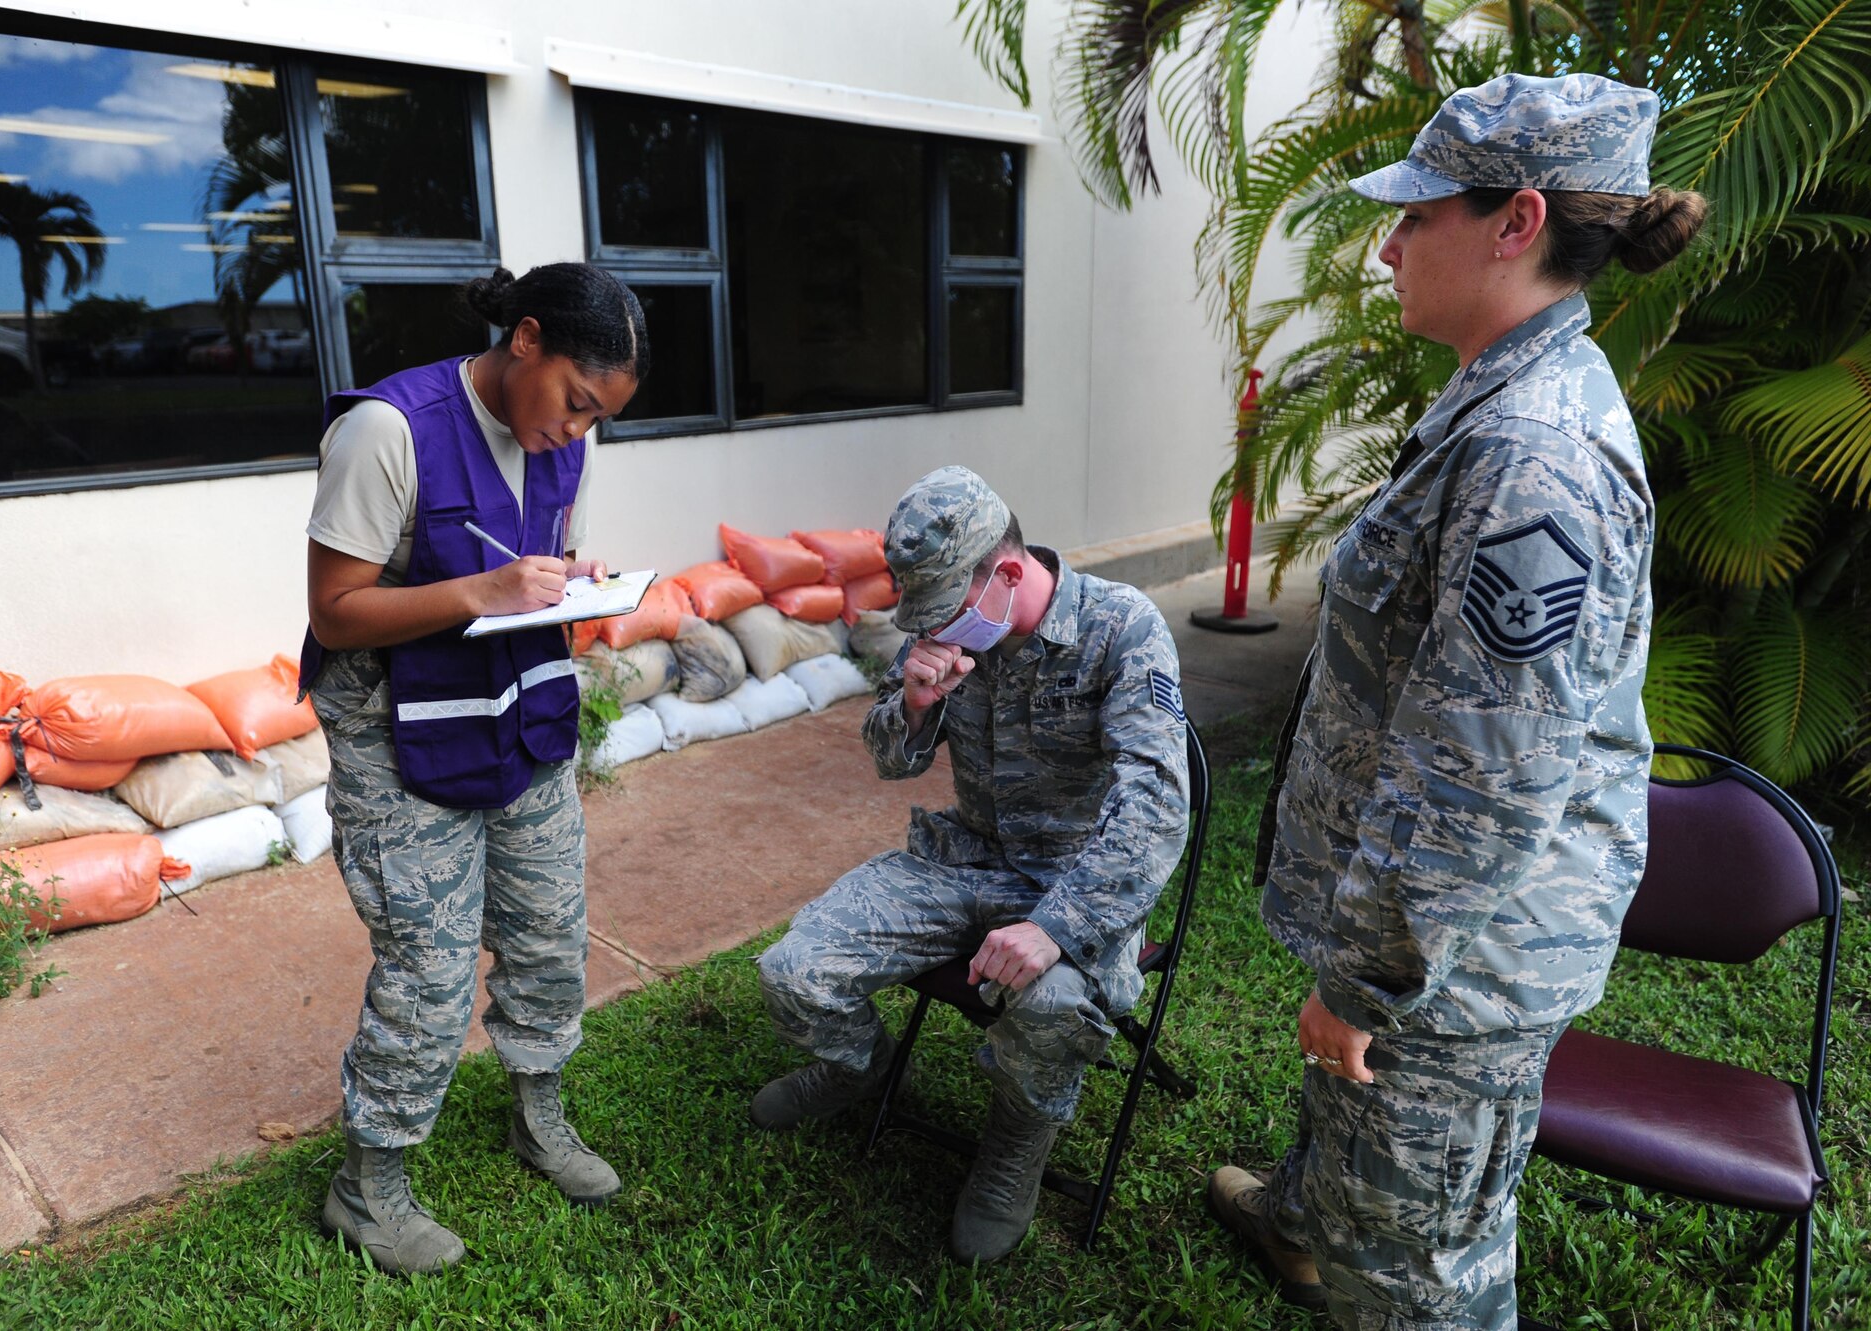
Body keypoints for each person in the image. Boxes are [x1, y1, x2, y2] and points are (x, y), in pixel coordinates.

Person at [1206, 73, 1706, 1329]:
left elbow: (1480, 782)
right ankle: (1312, 1218)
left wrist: (1365, 980)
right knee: (1363, 1154)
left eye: (1412, 214)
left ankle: (1356, 1248)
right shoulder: (1503, 393)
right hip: (1431, 947)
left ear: (1513, 221)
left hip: (1454, 974)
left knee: (1421, 1277)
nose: (1383, 244)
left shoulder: (1530, 455)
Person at [299, 262, 648, 1273]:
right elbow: (334, 610)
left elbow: (534, 564)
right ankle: (367, 1186)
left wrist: (572, 586)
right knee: (430, 960)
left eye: (598, 418)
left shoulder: (563, 442)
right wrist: (482, 590)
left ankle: (537, 1114)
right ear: (525, 339)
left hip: (519, 719)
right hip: (395, 731)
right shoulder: (387, 430)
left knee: (548, 932)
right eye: (575, 403)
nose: (577, 431)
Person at [752, 465, 1191, 1263]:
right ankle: (862, 1069)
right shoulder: (948, 630)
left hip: (1074, 880)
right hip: (962, 860)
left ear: (1010, 575)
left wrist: (1056, 926)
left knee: (1052, 1005)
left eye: (948, 612)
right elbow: (892, 759)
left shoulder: (1121, 627)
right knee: (794, 971)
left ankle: (1015, 1149)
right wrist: (915, 704)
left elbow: (1157, 810)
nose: (937, 633)